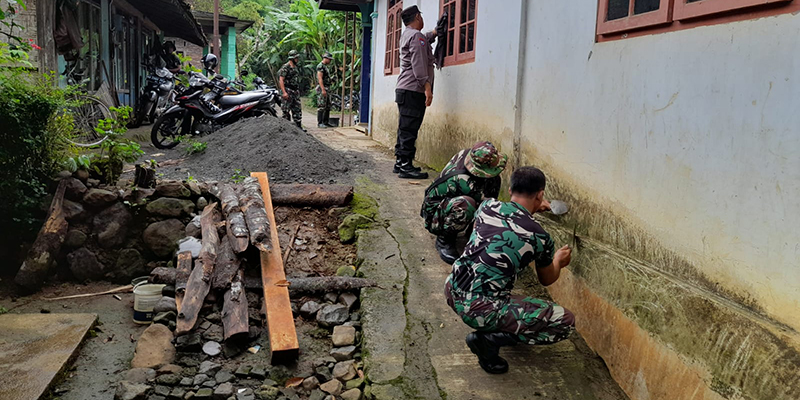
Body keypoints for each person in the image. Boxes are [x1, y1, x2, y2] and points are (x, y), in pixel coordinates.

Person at [445, 167, 575, 374]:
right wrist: (558, 261)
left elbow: (508, 222)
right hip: (479, 309)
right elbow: (547, 279)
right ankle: (488, 341)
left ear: (510, 188)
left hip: (453, 291)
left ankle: (495, 324)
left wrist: (531, 209)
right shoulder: (540, 237)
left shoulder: (487, 206)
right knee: (564, 321)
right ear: (540, 194)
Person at [421, 141, 507, 264]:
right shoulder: (463, 181)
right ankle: (445, 239)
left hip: (448, 203)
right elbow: (484, 204)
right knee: (466, 205)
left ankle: (471, 230)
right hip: (435, 216)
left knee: (493, 181)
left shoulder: (469, 154)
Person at [394, 5, 438, 179]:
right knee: (410, 128)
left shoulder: (407, 34)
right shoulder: (416, 37)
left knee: (405, 127)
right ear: (418, 17)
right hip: (413, 89)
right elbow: (419, 65)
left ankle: (401, 163)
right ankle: (405, 165)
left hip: (404, 89)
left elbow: (421, 43)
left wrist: (433, 33)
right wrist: (427, 87)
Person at [278, 50, 304, 130]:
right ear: (292, 58)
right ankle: (286, 128)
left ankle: (298, 127)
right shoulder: (285, 67)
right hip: (288, 90)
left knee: (297, 109)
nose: (297, 59)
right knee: (286, 110)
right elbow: (281, 80)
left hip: (295, 91)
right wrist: (284, 92)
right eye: (296, 58)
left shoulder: (295, 67)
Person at [316, 52, 335, 128]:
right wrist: (323, 89)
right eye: (329, 59)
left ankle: (326, 121)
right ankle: (320, 122)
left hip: (327, 87)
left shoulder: (325, 67)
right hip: (322, 87)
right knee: (321, 105)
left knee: (327, 105)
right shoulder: (320, 66)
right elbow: (320, 78)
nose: (330, 61)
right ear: (326, 58)